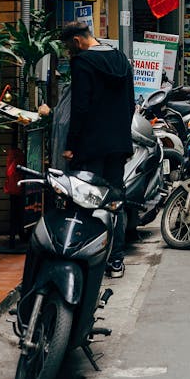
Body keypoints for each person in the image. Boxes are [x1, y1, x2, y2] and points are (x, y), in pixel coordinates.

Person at [59, 21, 135, 278]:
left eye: (70, 48)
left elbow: (80, 108)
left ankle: (90, 258)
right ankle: (116, 260)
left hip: (91, 146)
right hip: (118, 143)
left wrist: (71, 146)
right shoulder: (121, 59)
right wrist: (124, 136)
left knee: (87, 200)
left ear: (77, 42)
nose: (70, 53)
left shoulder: (82, 63)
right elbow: (130, 103)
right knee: (114, 201)